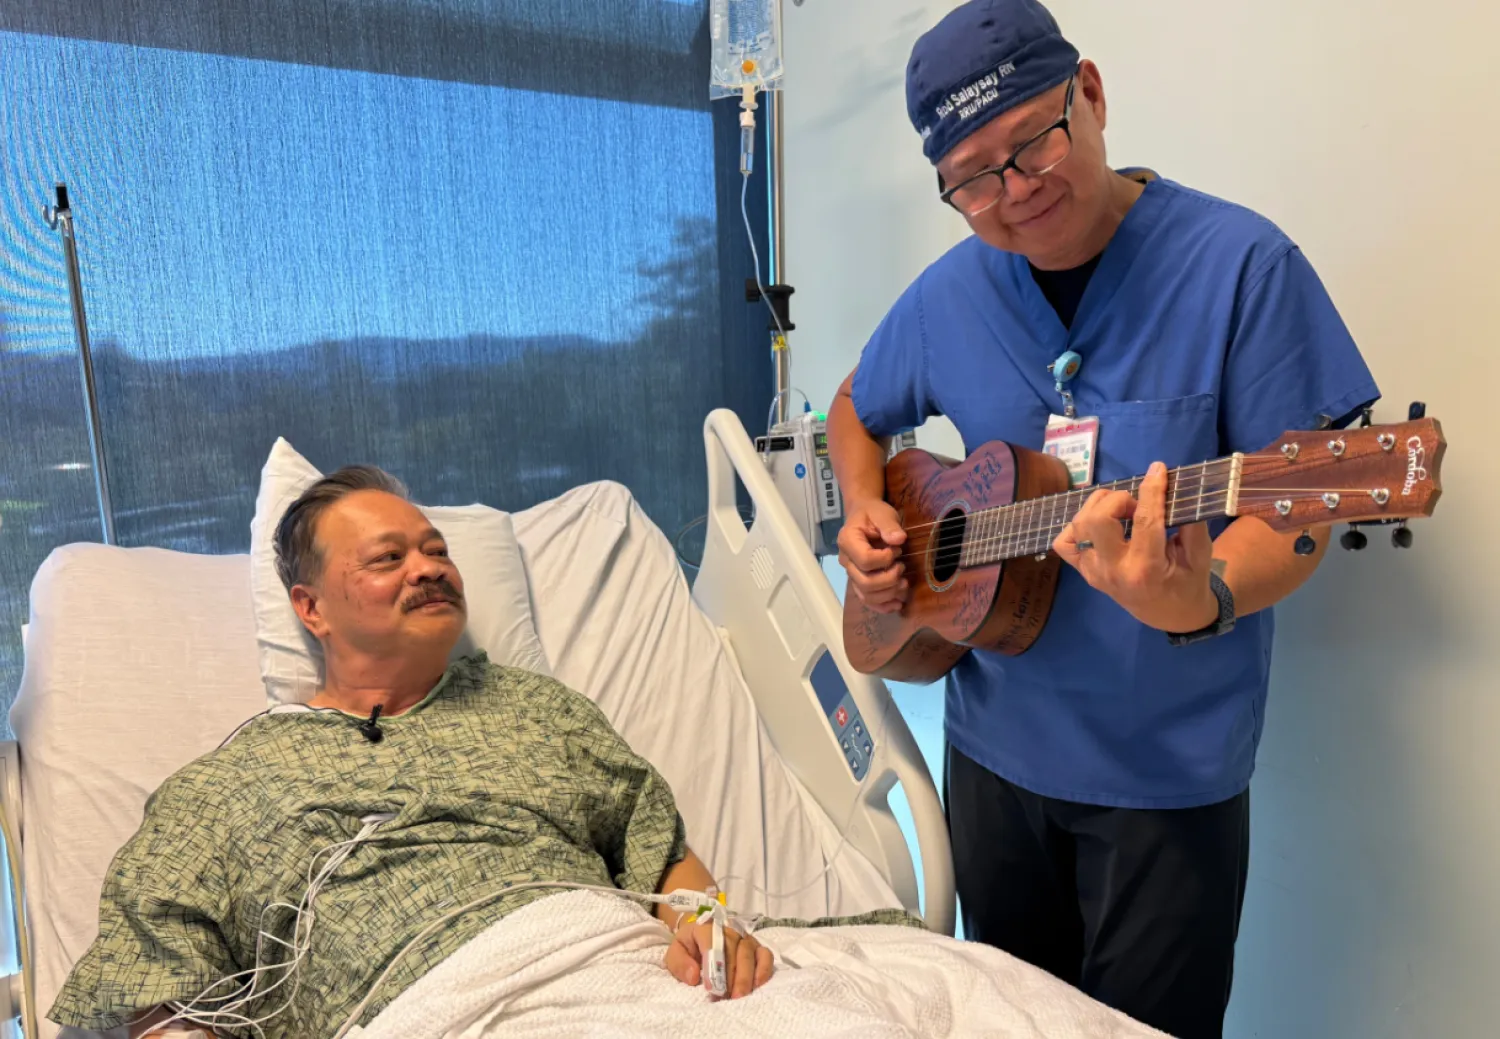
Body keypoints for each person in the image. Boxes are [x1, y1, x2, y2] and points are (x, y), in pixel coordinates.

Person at [826, 1, 1380, 1037]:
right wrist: (865, 507)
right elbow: (856, 406)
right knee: (1008, 1021)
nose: (1015, 192)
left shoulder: (1242, 268)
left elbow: (1293, 515)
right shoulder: (950, 297)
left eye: (1033, 141)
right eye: (975, 178)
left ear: (1090, 92)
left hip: (1166, 777)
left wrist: (1201, 593)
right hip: (995, 757)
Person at [48, 466, 773, 1038]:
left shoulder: (538, 709)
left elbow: (655, 844)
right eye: (388, 558)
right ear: (311, 608)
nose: (427, 567)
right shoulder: (231, 781)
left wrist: (709, 926)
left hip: (619, 978)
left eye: (436, 550)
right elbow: (156, 959)